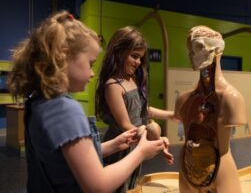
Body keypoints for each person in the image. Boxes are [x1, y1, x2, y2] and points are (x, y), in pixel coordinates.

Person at [7, 10, 166, 193]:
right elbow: (97, 185)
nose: (92, 73)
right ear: (64, 57)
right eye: (90, 64)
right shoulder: (64, 110)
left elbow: (68, 157)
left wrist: (113, 145)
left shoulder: (40, 102)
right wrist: (141, 153)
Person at [95, 26, 174, 192]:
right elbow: (125, 125)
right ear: (119, 52)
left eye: (140, 58)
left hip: (136, 143)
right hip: (120, 147)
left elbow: (144, 111)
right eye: (134, 56)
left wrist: (172, 115)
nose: (138, 62)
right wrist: (155, 138)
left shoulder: (133, 81)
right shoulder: (113, 85)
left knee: (132, 185)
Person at [174, 25, 247, 193]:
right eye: (190, 49)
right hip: (187, 168)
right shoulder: (184, 100)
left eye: (198, 47)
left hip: (221, 171)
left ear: (215, 49)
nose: (191, 54)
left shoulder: (231, 98)